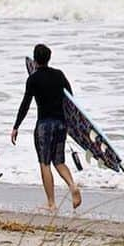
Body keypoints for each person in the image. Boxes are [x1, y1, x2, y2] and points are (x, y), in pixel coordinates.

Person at [12, 44, 82, 211]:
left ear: (35, 60)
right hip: (61, 123)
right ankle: (72, 186)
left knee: (45, 163)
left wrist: (16, 126)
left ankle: (51, 203)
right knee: (59, 160)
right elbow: (70, 98)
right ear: (48, 58)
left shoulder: (33, 79)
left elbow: (25, 104)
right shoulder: (59, 75)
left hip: (44, 125)